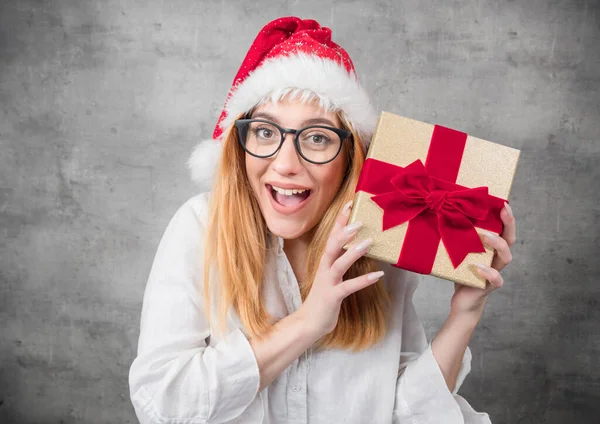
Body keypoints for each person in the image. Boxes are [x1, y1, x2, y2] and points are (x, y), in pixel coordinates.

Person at [128, 17, 516, 424]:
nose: (285, 164)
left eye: (316, 138)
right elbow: (162, 405)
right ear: (238, 146)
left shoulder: (375, 242)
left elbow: (405, 413)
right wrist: (308, 322)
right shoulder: (200, 227)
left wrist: (466, 312)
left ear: (350, 158)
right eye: (264, 132)